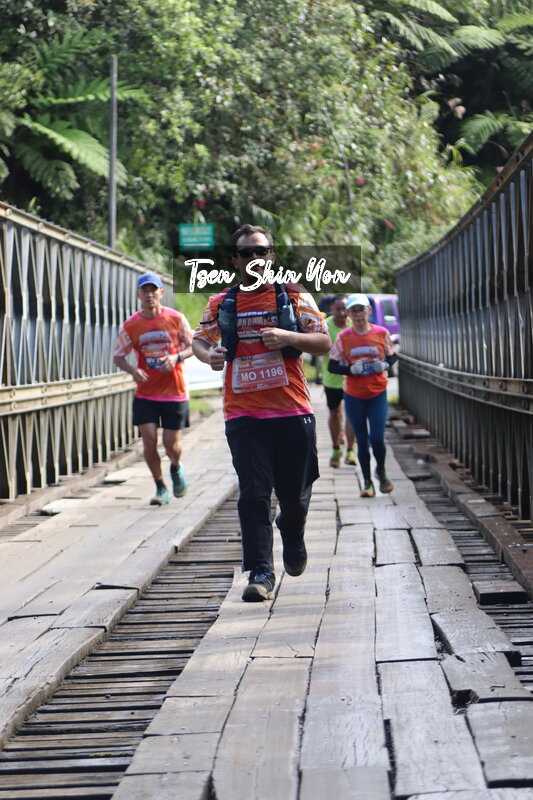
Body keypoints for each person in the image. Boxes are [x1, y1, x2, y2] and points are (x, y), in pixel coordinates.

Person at [192, 224, 331, 602]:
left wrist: (289, 337)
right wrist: (210, 355)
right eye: (246, 253)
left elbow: (323, 342)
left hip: (292, 410)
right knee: (253, 493)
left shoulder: (294, 295)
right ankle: (260, 572)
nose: (254, 258)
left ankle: (293, 529)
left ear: (272, 256)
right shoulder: (222, 302)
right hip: (244, 414)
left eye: (261, 251)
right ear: (235, 261)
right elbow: (199, 341)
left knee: (294, 496)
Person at [114, 272, 193, 506]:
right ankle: (160, 487)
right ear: (138, 294)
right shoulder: (131, 325)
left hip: (174, 392)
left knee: (171, 444)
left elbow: (194, 346)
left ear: (161, 292)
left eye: (153, 290)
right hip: (146, 392)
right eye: (144, 290)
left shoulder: (176, 318)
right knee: (148, 441)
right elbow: (118, 356)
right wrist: (133, 370)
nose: (149, 295)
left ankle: (176, 467)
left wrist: (177, 357)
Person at [328, 293, 397, 497]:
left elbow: (393, 357)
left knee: (377, 438)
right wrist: (350, 370)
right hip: (354, 395)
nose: (358, 315)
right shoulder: (343, 337)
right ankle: (367, 483)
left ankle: (381, 471)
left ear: (369, 311)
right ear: (349, 314)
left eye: (362, 310)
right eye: (354, 311)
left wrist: (384, 365)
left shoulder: (381, 333)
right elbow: (332, 366)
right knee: (362, 440)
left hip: (377, 393)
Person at [322, 293, 357, 468]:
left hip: (352, 378)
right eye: (338, 309)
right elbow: (319, 348)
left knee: (352, 414)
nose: (342, 313)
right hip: (332, 378)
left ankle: (350, 450)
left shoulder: (354, 324)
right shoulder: (325, 326)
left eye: (345, 309)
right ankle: (336, 448)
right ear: (331, 309)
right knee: (335, 413)